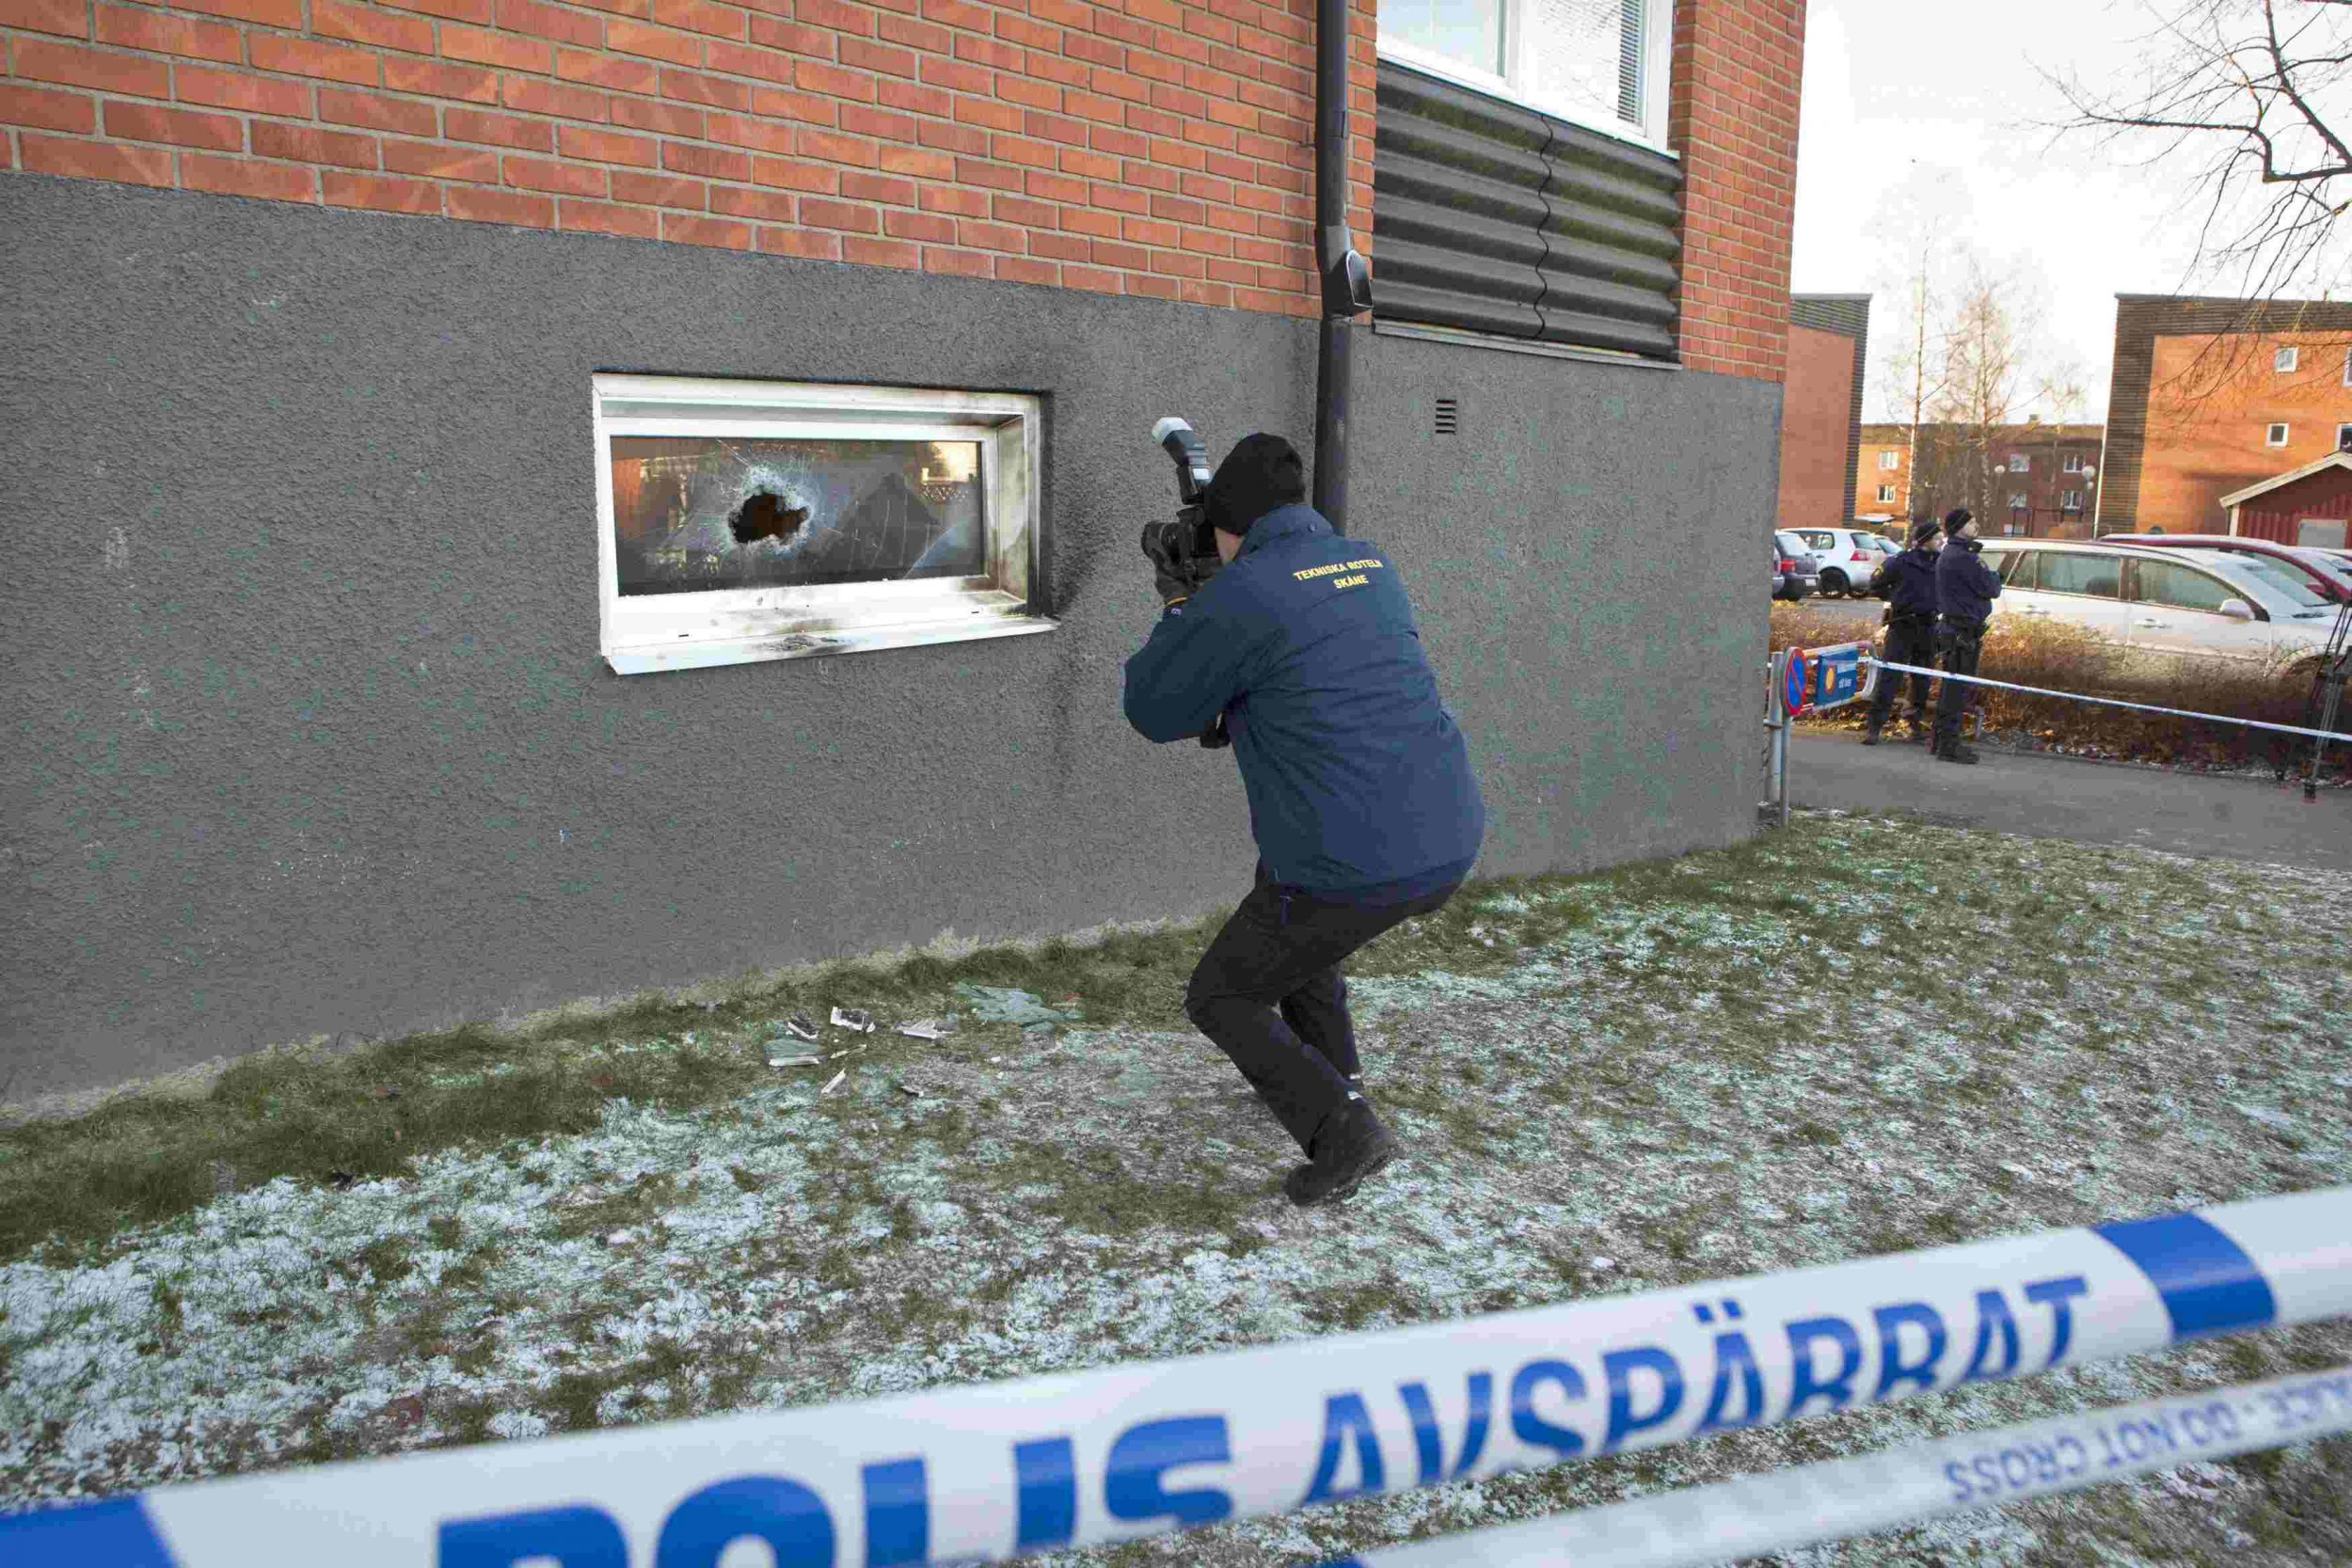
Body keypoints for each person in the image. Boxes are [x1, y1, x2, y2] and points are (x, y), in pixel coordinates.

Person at [1122, 435, 1486, 1207]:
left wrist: (1183, 605)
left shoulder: (1243, 594)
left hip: (1353, 855)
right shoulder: (1369, 565)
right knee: (1295, 914)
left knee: (1222, 993)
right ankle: (1334, 1075)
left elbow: (1154, 709)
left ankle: (1341, 1130)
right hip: (1443, 831)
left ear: (1229, 528)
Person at [1862, 518, 1943, 745]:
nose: (1941, 541)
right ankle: (1875, 726)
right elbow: (1875, 584)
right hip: (1902, 625)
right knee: (1890, 676)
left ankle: (1912, 724)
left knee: (1921, 680)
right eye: (1937, 538)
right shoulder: (1901, 561)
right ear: (1925, 540)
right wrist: (1897, 598)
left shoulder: (1941, 563)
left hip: (1928, 627)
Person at [1931, 507, 2001, 765]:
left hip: (1955, 629)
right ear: (1960, 526)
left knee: (1950, 688)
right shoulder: (1964, 557)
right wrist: (1994, 576)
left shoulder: (1951, 553)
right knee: (1957, 690)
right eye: (1972, 522)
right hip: (1962, 632)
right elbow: (1992, 588)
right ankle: (1949, 745)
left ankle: (1940, 741)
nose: (1976, 526)